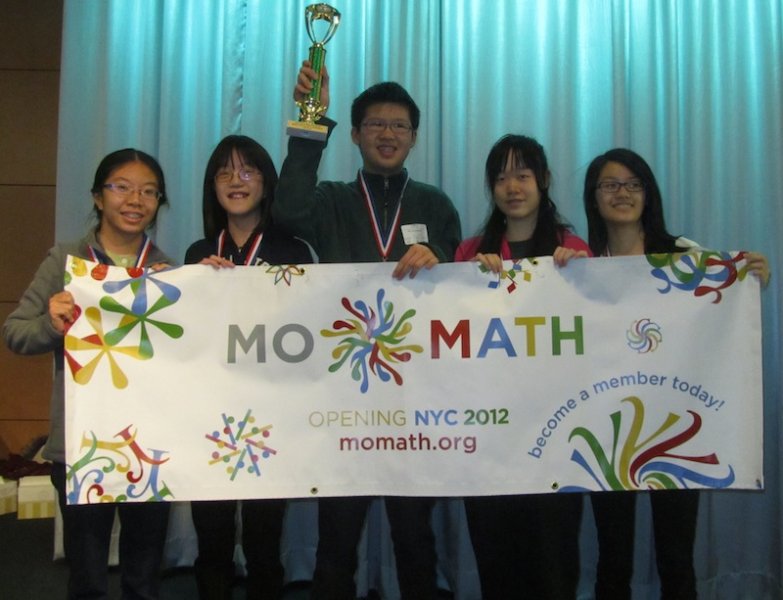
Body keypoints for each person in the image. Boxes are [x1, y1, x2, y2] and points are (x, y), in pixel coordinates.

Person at [272, 62, 462, 599]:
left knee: (415, 538)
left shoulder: (435, 204)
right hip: (344, 397)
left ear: (414, 137)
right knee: (336, 541)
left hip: (414, 399)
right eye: (376, 124)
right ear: (354, 134)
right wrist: (311, 119)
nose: (387, 134)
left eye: (399, 125)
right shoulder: (330, 200)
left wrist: (439, 254)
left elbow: (459, 283)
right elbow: (286, 212)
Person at [582, 147, 770, 599]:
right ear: (594, 196)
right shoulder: (583, 265)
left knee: (676, 555)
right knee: (612, 556)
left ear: (648, 193)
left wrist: (749, 277)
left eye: (633, 184)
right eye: (610, 185)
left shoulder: (684, 255)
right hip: (609, 429)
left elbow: (721, 302)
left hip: (677, 428)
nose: (622, 193)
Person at [2, 149, 173, 599]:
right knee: (88, 578)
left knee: (144, 577)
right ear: (98, 197)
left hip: (149, 445)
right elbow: (15, 333)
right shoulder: (65, 261)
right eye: (122, 187)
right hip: (81, 446)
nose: (135, 200)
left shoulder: (168, 271)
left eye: (149, 191)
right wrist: (51, 324)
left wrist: (200, 292)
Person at [455, 134, 590, 600]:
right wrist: (470, 280)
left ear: (544, 180)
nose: (512, 187)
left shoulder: (573, 249)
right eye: (501, 178)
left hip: (557, 434)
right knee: (497, 561)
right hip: (489, 437)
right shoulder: (470, 253)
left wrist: (582, 277)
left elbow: (596, 333)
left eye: (523, 176)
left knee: (553, 563)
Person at [185, 135, 312, 599]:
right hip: (211, 414)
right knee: (211, 533)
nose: (235, 181)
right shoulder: (197, 253)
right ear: (211, 186)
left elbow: (308, 333)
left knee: (264, 537)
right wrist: (199, 286)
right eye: (224, 172)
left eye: (247, 171)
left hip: (270, 415)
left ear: (265, 182)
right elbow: (187, 339)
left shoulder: (294, 252)